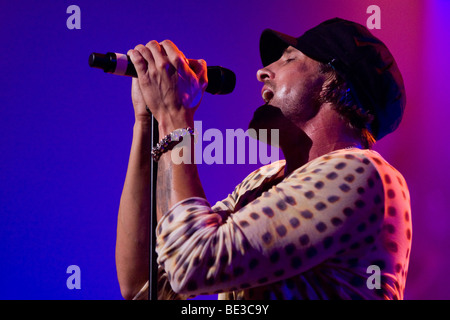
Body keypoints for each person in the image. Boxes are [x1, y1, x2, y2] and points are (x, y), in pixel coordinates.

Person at [115, 17, 411, 300]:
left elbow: (193, 264)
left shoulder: (361, 171)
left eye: (289, 59)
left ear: (334, 83)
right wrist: (147, 122)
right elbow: (143, 286)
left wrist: (174, 116)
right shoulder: (265, 180)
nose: (263, 71)